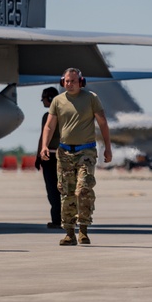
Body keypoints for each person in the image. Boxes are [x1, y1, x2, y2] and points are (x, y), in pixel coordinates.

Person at [39, 68, 112, 246]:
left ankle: (84, 230)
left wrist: (107, 148)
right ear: (62, 82)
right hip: (64, 153)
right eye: (67, 81)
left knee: (83, 189)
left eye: (73, 81)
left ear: (81, 81)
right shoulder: (58, 101)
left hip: (86, 151)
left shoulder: (91, 98)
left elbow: (103, 122)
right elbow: (49, 126)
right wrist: (44, 146)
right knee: (66, 192)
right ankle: (69, 232)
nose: (69, 84)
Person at [36, 86, 62, 228]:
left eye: (44, 98)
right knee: (64, 189)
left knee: (52, 190)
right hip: (64, 156)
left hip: (50, 157)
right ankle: (67, 219)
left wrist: (38, 156)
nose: (42, 101)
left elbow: (43, 138)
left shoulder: (48, 116)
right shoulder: (66, 114)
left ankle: (57, 220)